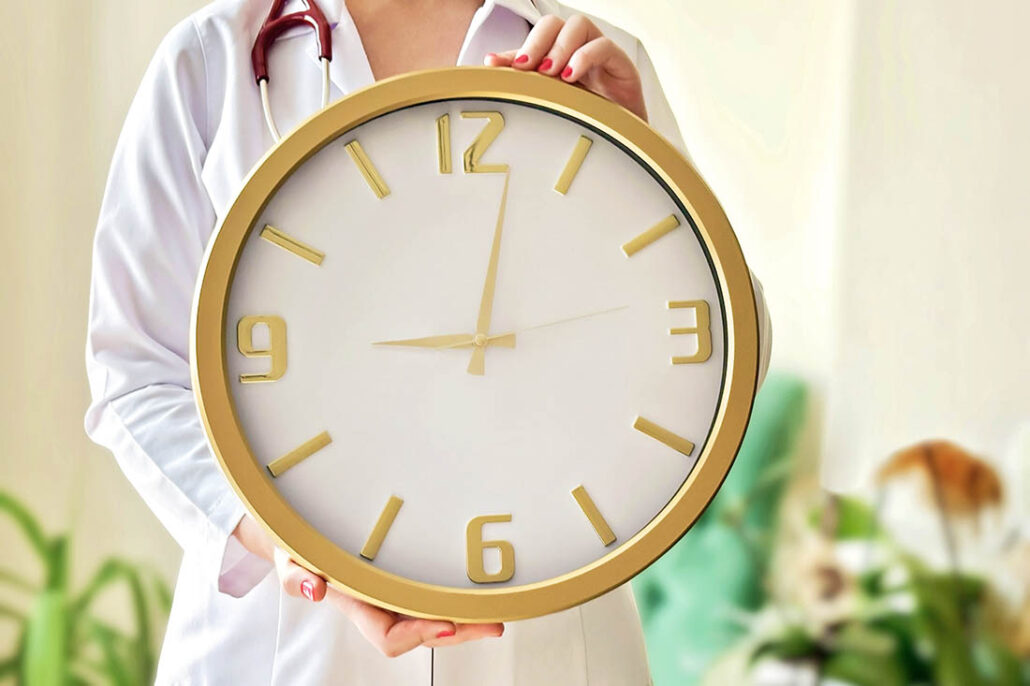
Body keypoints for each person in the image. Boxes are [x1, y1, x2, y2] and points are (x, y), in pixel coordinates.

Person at [85, 0, 771, 683]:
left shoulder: (590, 56)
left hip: (550, 649)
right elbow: (136, 370)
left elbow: (724, 347)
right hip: (288, 650)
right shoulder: (212, 61)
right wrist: (290, 547)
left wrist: (641, 163)